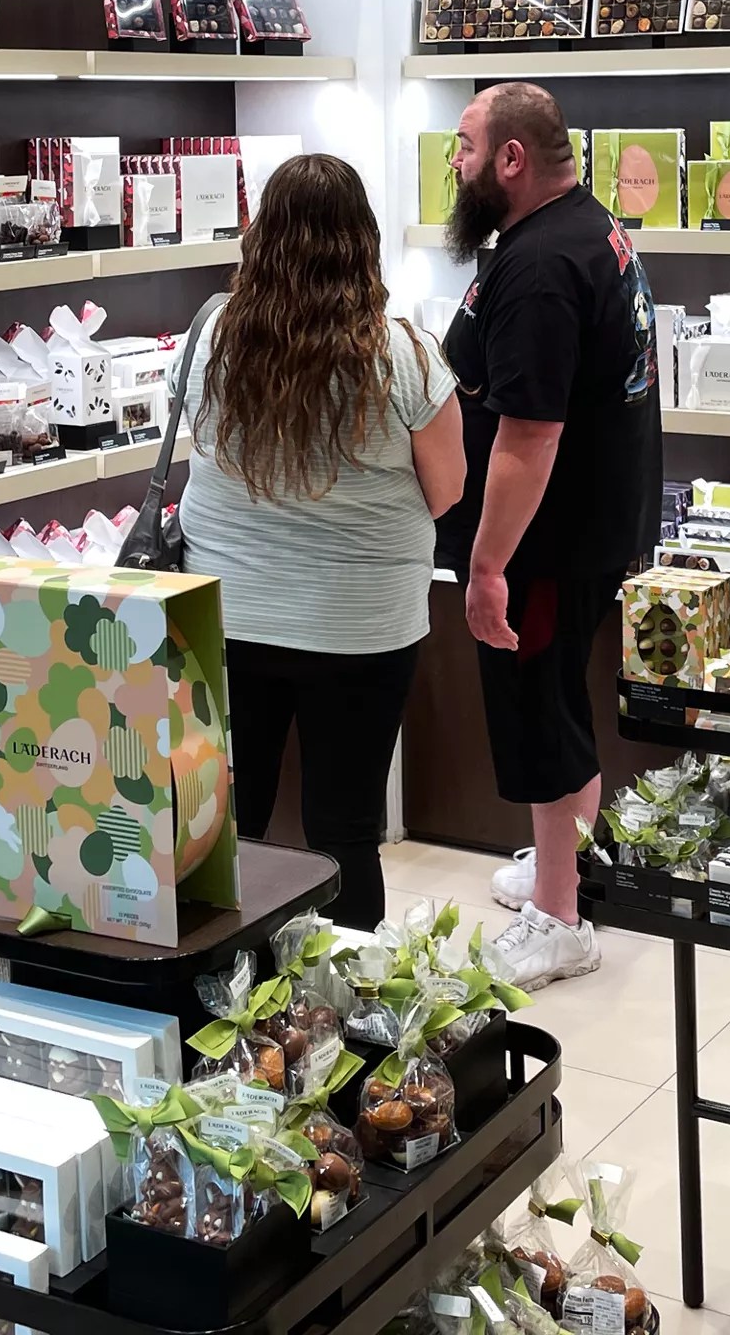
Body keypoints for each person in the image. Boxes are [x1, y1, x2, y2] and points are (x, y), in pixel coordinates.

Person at [178, 152, 466, 927]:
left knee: (226, 826)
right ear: (363, 240)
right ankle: (347, 993)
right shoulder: (404, 357)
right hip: (361, 626)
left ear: (259, 236)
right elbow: (448, 490)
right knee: (345, 827)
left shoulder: (209, 340)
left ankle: (229, 988)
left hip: (228, 618)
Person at [440, 82, 663, 987]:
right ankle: (562, 864)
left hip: (545, 540)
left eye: (464, 147)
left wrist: (488, 565)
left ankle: (561, 919)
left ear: (511, 158)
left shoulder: (538, 267)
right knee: (560, 694)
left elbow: (529, 437)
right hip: (588, 524)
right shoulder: (581, 226)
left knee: (540, 711)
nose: (454, 164)